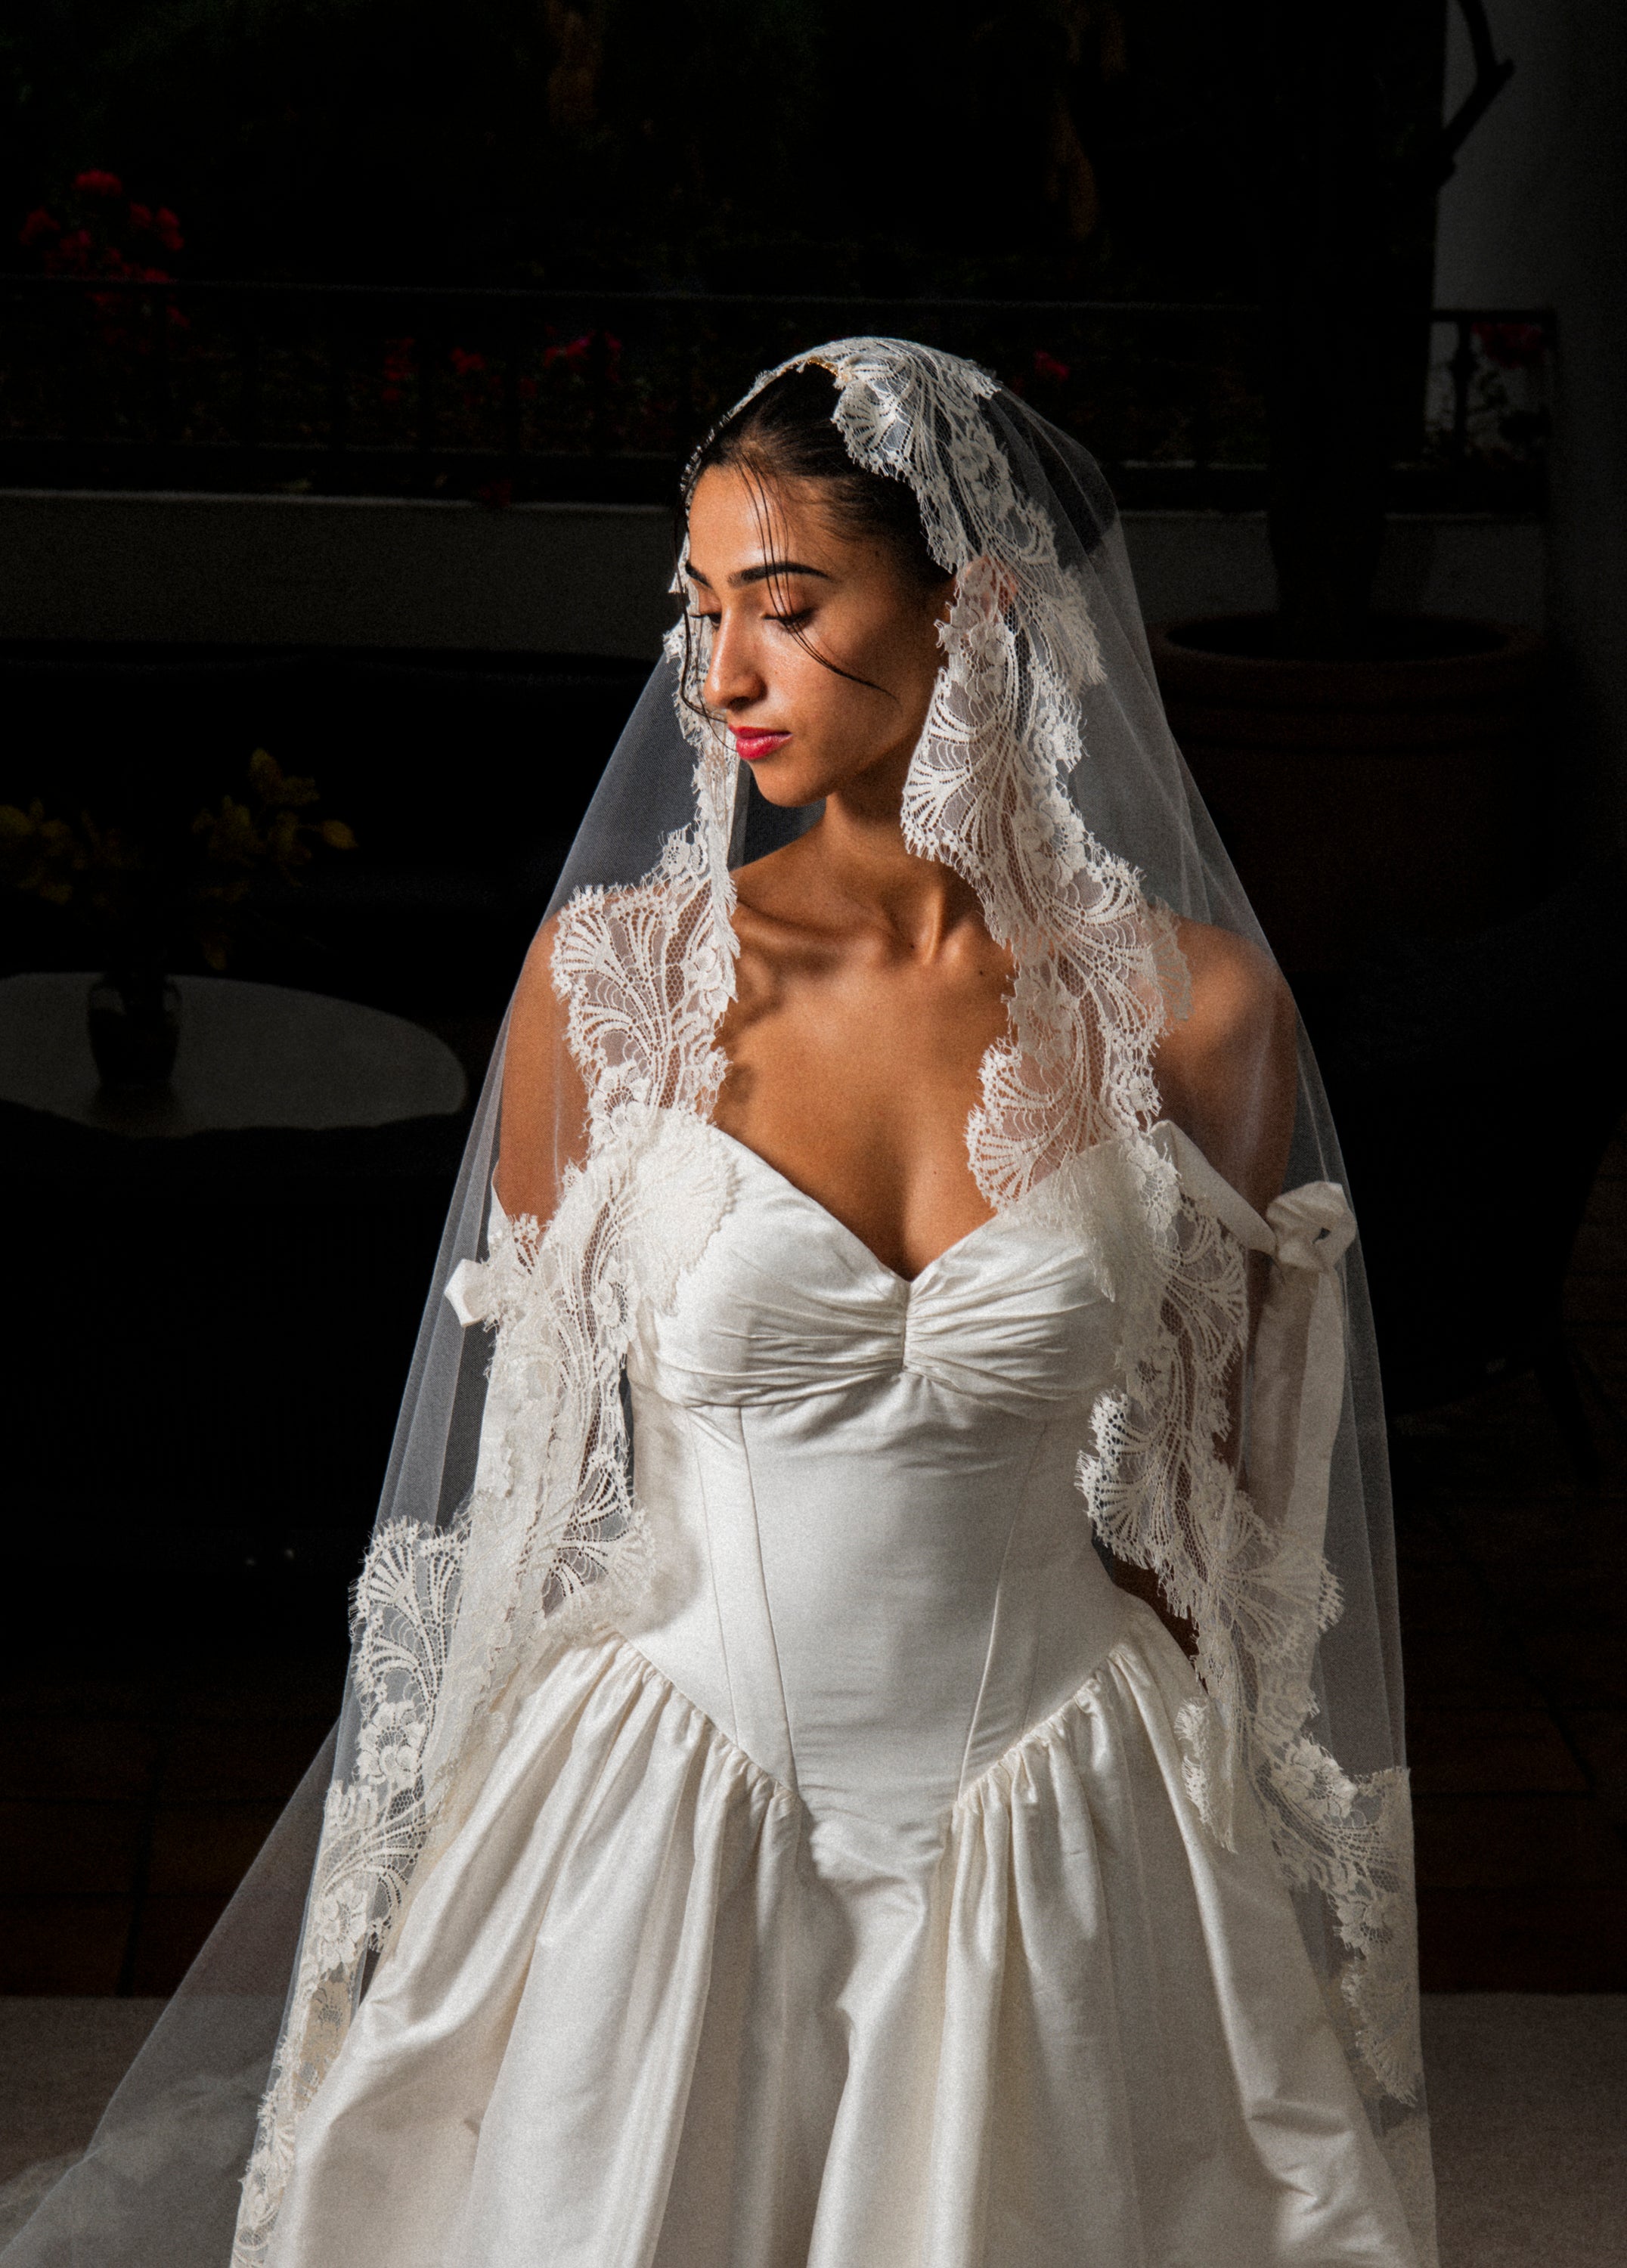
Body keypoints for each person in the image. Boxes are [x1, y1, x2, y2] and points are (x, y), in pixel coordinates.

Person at [2, 340, 1435, 2268]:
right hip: (679, 1787)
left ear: (972, 608)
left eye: (785, 604)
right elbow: (524, 1493)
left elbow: (1220, 1518)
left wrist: (1236, 1869)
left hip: (1060, 1793)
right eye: (698, 611)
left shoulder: (1189, 1013)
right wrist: (450, 1867)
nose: (720, 673)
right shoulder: (615, 980)